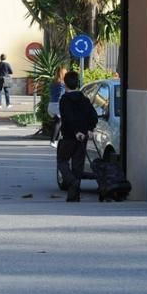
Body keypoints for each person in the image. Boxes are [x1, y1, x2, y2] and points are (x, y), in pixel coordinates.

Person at [57, 71, 99, 202]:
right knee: (77, 165)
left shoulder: (64, 100)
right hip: (83, 136)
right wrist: (89, 129)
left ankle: (71, 181)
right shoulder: (84, 99)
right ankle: (74, 195)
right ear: (77, 84)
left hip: (69, 136)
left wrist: (75, 132)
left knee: (62, 161)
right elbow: (93, 116)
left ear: (65, 84)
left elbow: (67, 117)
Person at [47, 66, 67, 148]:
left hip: (51, 105)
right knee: (58, 122)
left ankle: (57, 139)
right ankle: (53, 141)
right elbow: (63, 95)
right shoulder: (62, 84)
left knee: (58, 122)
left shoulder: (53, 83)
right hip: (57, 105)